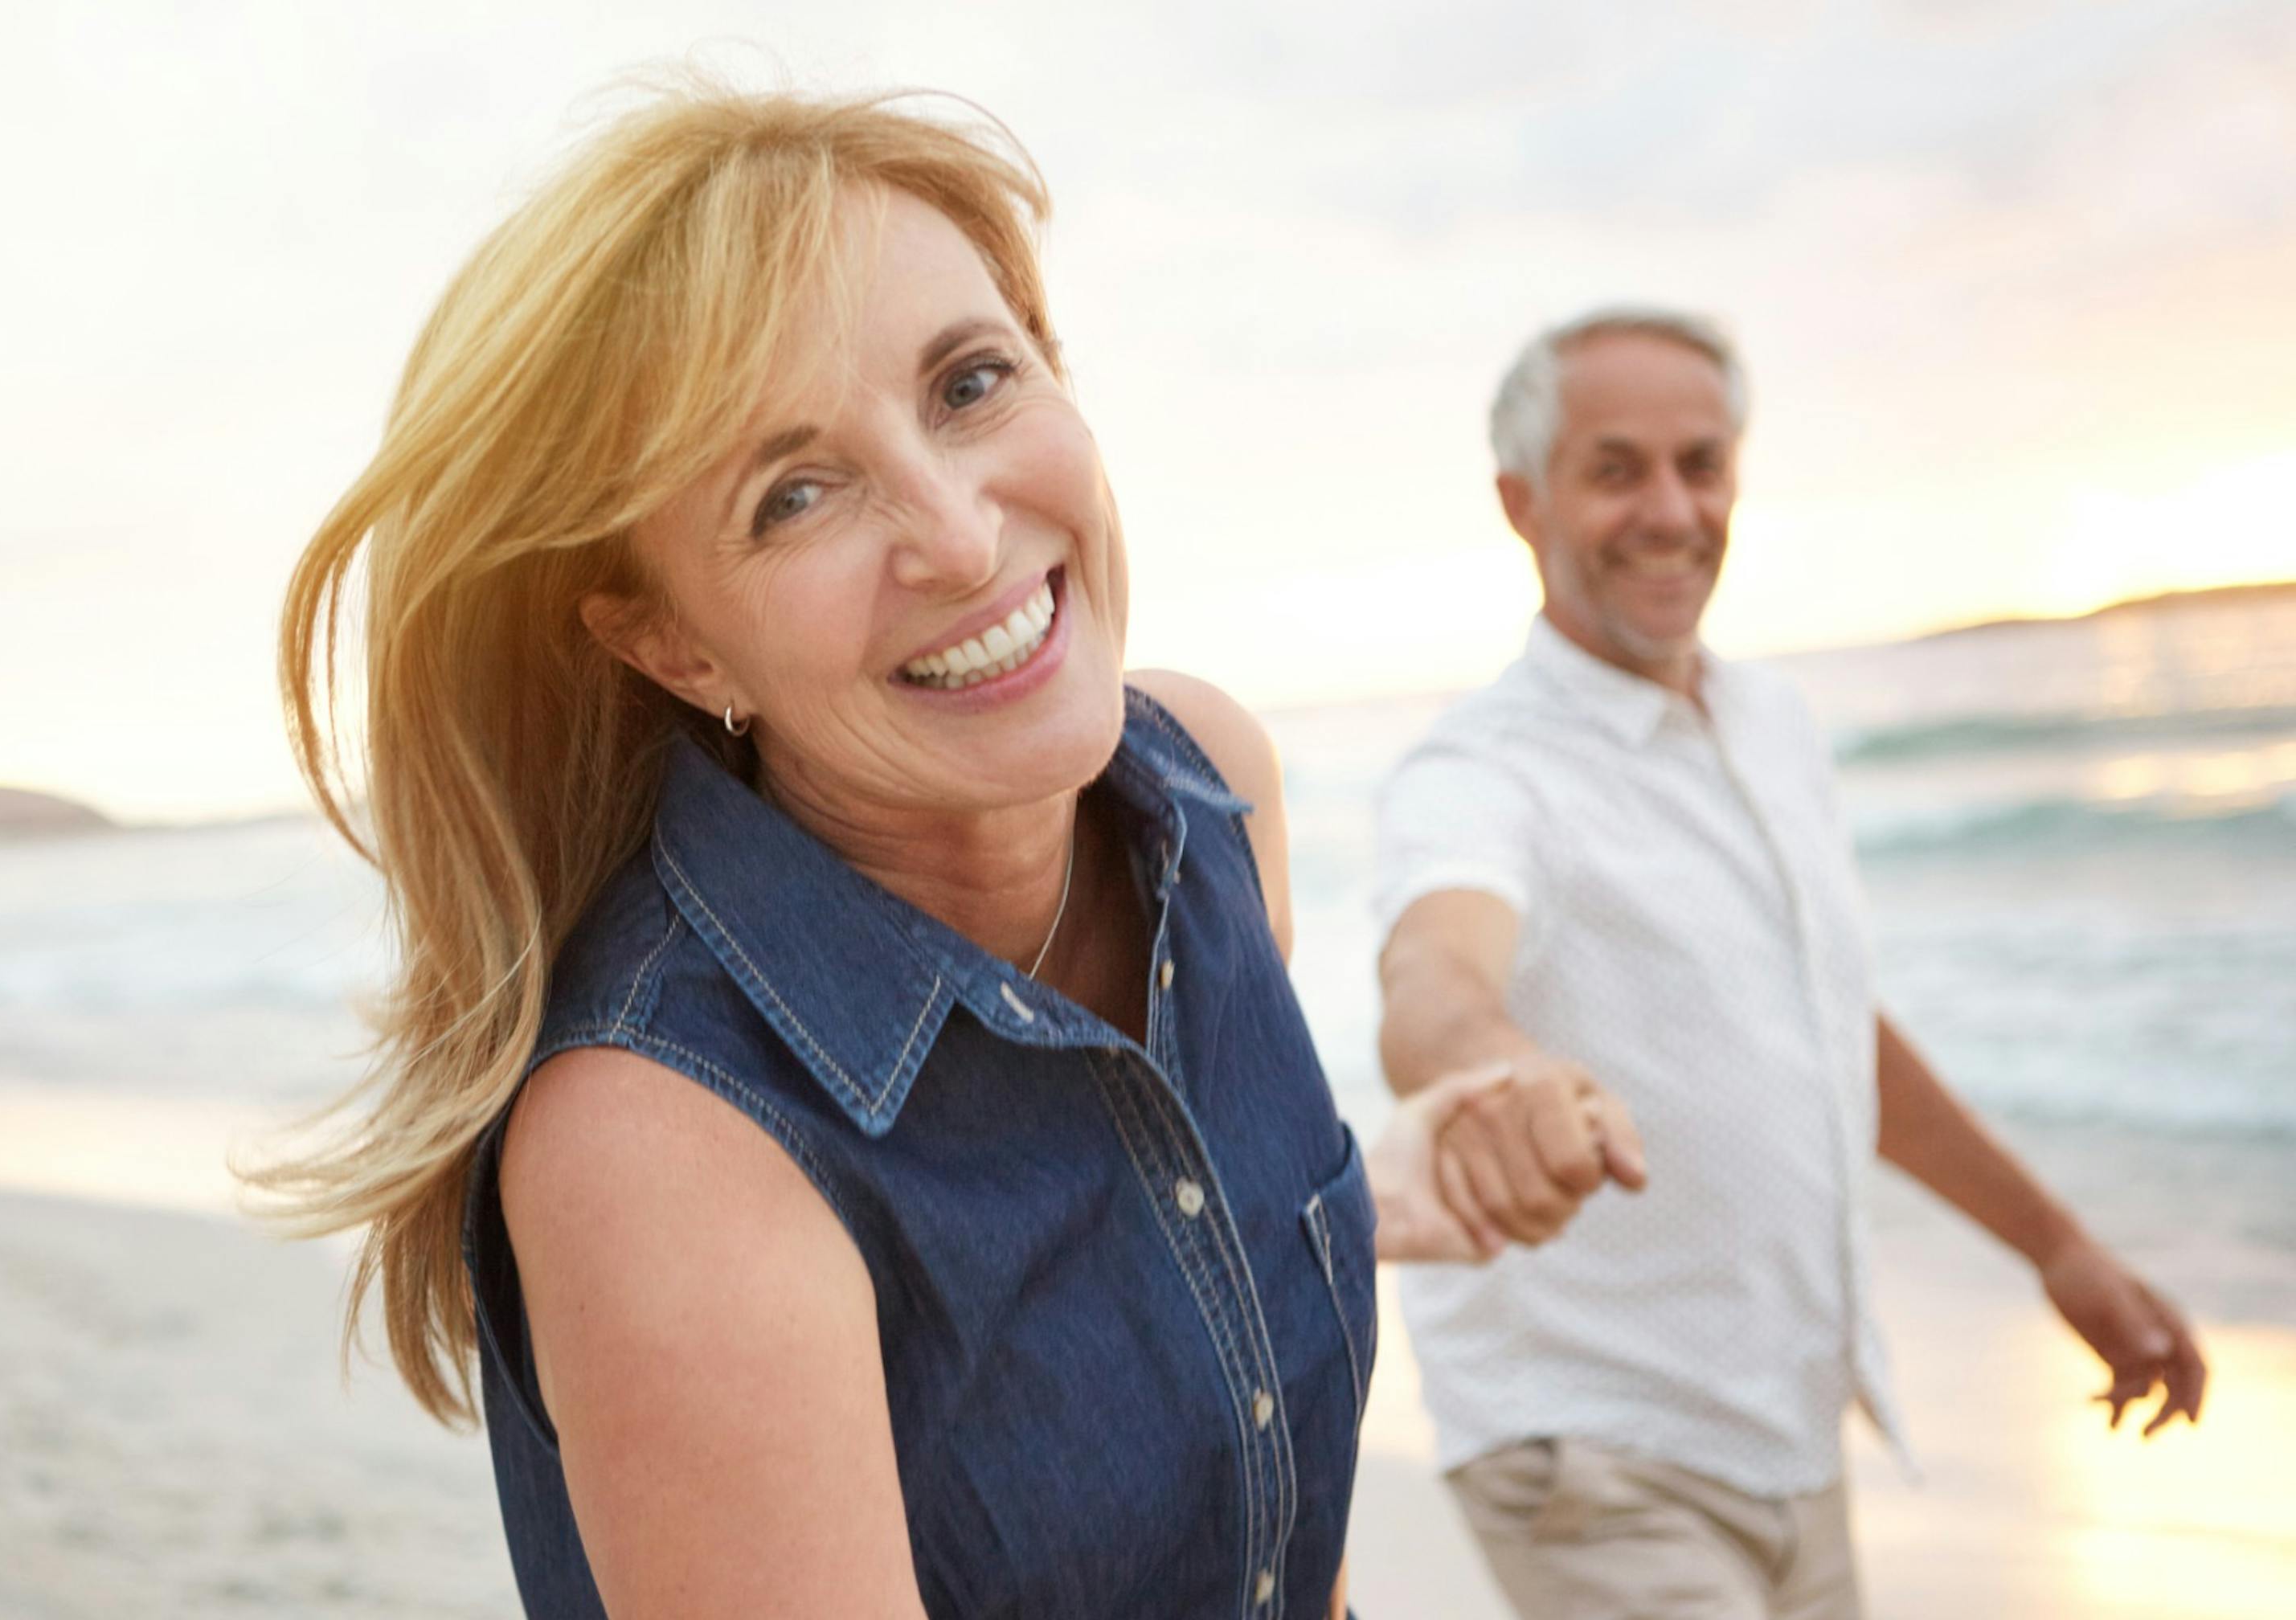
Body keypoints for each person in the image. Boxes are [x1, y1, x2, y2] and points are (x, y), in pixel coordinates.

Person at [254, 87, 1636, 1618]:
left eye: (972, 383)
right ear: (663, 637)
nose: (963, 538)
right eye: (794, 494)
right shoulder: (662, 1140)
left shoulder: (1210, 796)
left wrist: (1350, 1197)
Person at [1372, 305, 2212, 1620]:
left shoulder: (1773, 723)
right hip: (1589, 1453)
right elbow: (1434, 979)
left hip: (1790, 1436)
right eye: (1616, 469)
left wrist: (2056, 1245)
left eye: (1701, 465)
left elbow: (1827, 1028)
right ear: (1521, 502)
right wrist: (1504, 1078)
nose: (1670, 508)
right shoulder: (1479, 774)